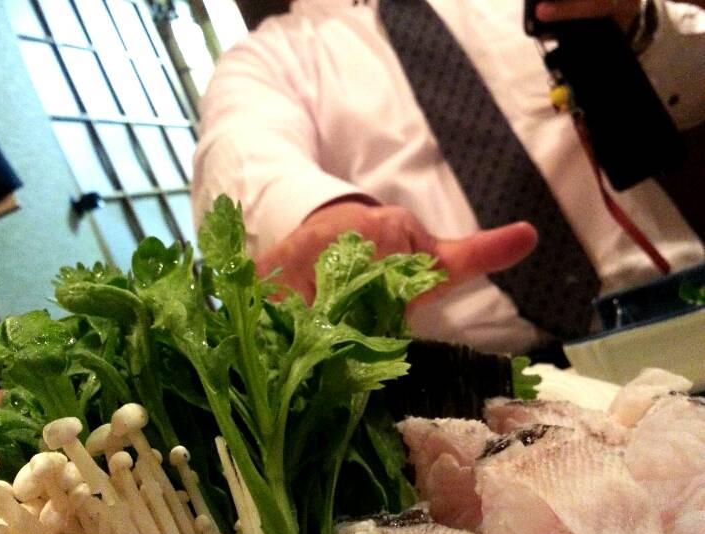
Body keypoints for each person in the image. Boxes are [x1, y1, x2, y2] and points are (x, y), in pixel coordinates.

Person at [191, 0, 705, 356]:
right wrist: (319, 215)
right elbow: (241, 146)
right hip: (487, 383)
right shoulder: (267, 57)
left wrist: (637, 24)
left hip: (680, 300)